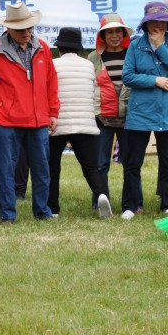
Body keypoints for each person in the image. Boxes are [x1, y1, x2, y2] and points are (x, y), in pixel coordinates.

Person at [0, 1, 60, 224]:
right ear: (9, 28)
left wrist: (53, 112)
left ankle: (42, 211)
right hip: (7, 122)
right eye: (21, 28)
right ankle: (7, 214)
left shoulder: (42, 47)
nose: (26, 32)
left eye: (29, 27)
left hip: (39, 120)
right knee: (6, 170)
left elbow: (51, 83)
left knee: (42, 169)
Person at [121, 1, 168, 219]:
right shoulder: (135, 45)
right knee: (133, 162)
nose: (156, 26)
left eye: (161, 21)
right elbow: (127, 76)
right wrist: (155, 80)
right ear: (146, 24)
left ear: (167, 24)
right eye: (152, 22)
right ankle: (131, 205)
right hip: (141, 111)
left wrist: (160, 46)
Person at [48, 28, 111, 218]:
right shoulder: (87, 65)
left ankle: (53, 209)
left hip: (57, 122)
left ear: (59, 48)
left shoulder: (52, 64)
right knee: (91, 168)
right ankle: (101, 196)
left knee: (52, 168)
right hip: (84, 122)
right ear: (78, 48)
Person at [89, 14, 134, 213]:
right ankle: (100, 202)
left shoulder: (133, 54)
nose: (114, 35)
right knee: (100, 164)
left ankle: (133, 204)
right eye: (110, 32)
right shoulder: (93, 57)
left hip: (130, 117)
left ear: (123, 33)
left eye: (118, 31)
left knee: (131, 164)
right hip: (102, 118)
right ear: (103, 35)